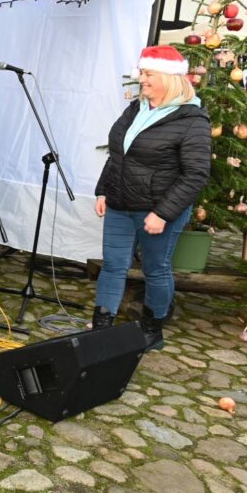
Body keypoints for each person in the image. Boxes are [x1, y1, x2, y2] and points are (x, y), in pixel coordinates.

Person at [92, 45, 210, 351]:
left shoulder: (192, 120)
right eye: (142, 72)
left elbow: (195, 174)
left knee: (156, 269)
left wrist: (163, 213)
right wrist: (103, 189)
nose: (141, 79)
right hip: (120, 204)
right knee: (113, 266)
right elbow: (118, 154)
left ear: (169, 78)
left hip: (157, 211)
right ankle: (100, 326)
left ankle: (152, 328)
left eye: (147, 73)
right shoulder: (135, 109)